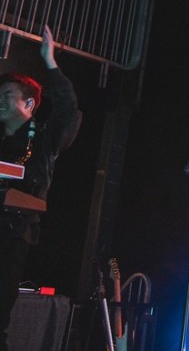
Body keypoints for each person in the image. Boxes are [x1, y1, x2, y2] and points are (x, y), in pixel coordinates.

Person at [0, 26, 82, 351]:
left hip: (11, 233)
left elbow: (68, 112)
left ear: (30, 103)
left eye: (7, 96)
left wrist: (50, 62)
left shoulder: (44, 140)